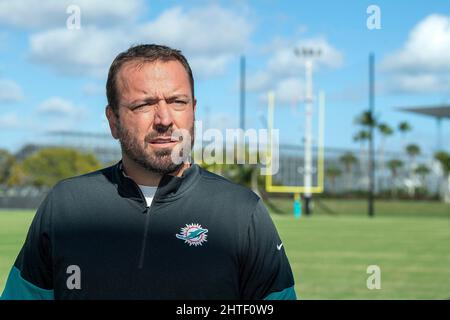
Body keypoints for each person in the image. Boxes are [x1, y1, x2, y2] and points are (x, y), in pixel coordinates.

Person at [1, 44, 297, 300]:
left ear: (194, 109)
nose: (165, 119)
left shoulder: (242, 212)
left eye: (177, 102)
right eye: (144, 104)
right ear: (113, 120)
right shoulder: (66, 205)